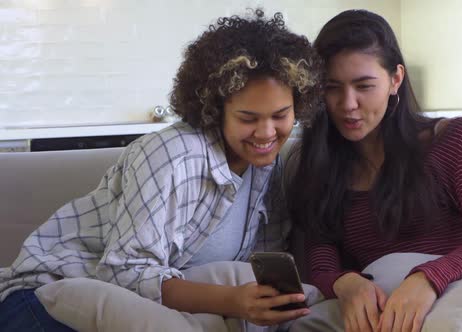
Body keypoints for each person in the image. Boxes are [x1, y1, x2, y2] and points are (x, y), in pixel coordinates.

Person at [0, 9, 322, 331]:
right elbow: (124, 273)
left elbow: (260, 260)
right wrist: (233, 301)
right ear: (214, 109)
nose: (267, 133)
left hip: (145, 301)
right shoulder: (173, 155)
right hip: (44, 298)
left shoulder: (267, 165)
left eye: (280, 115)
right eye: (248, 118)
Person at [286, 9, 462, 332]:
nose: (348, 104)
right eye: (332, 87)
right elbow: (321, 258)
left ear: (395, 79)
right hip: (393, 317)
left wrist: (427, 279)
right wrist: (346, 284)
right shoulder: (319, 162)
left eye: (364, 86)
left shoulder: (453, 140)